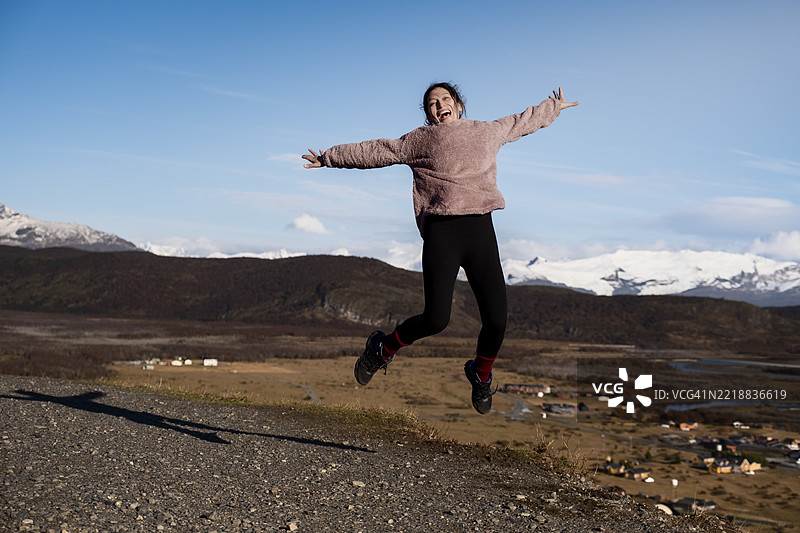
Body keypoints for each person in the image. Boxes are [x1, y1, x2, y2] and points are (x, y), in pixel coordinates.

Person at [303, 82, 578, 414]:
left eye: (445, 99)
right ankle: (382, 348)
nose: (439, 105)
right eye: (432, 103)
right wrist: (330, 157)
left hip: (480, 231)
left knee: (497, 321)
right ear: (429, 114)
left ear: (458, 105)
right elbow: (377, 150)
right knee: (436, 319)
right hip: (442, 233)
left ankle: (481, 373)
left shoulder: (487, 131)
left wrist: (554, 107)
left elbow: (523, 121)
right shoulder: (419, 140)